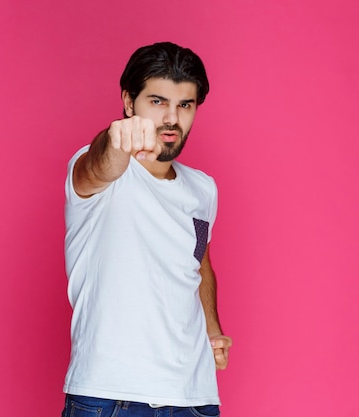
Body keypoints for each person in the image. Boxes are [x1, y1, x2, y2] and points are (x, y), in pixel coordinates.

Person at [62, 42, 232, 417]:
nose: (171, 118)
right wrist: (115, 139)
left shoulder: (203, 189)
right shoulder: (99, 173)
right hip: (110, 397)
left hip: (194, 399)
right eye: (157, 102)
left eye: (184, 105)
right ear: (128, 102)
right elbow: (98, 166)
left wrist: (211, 328)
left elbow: (198, 261)